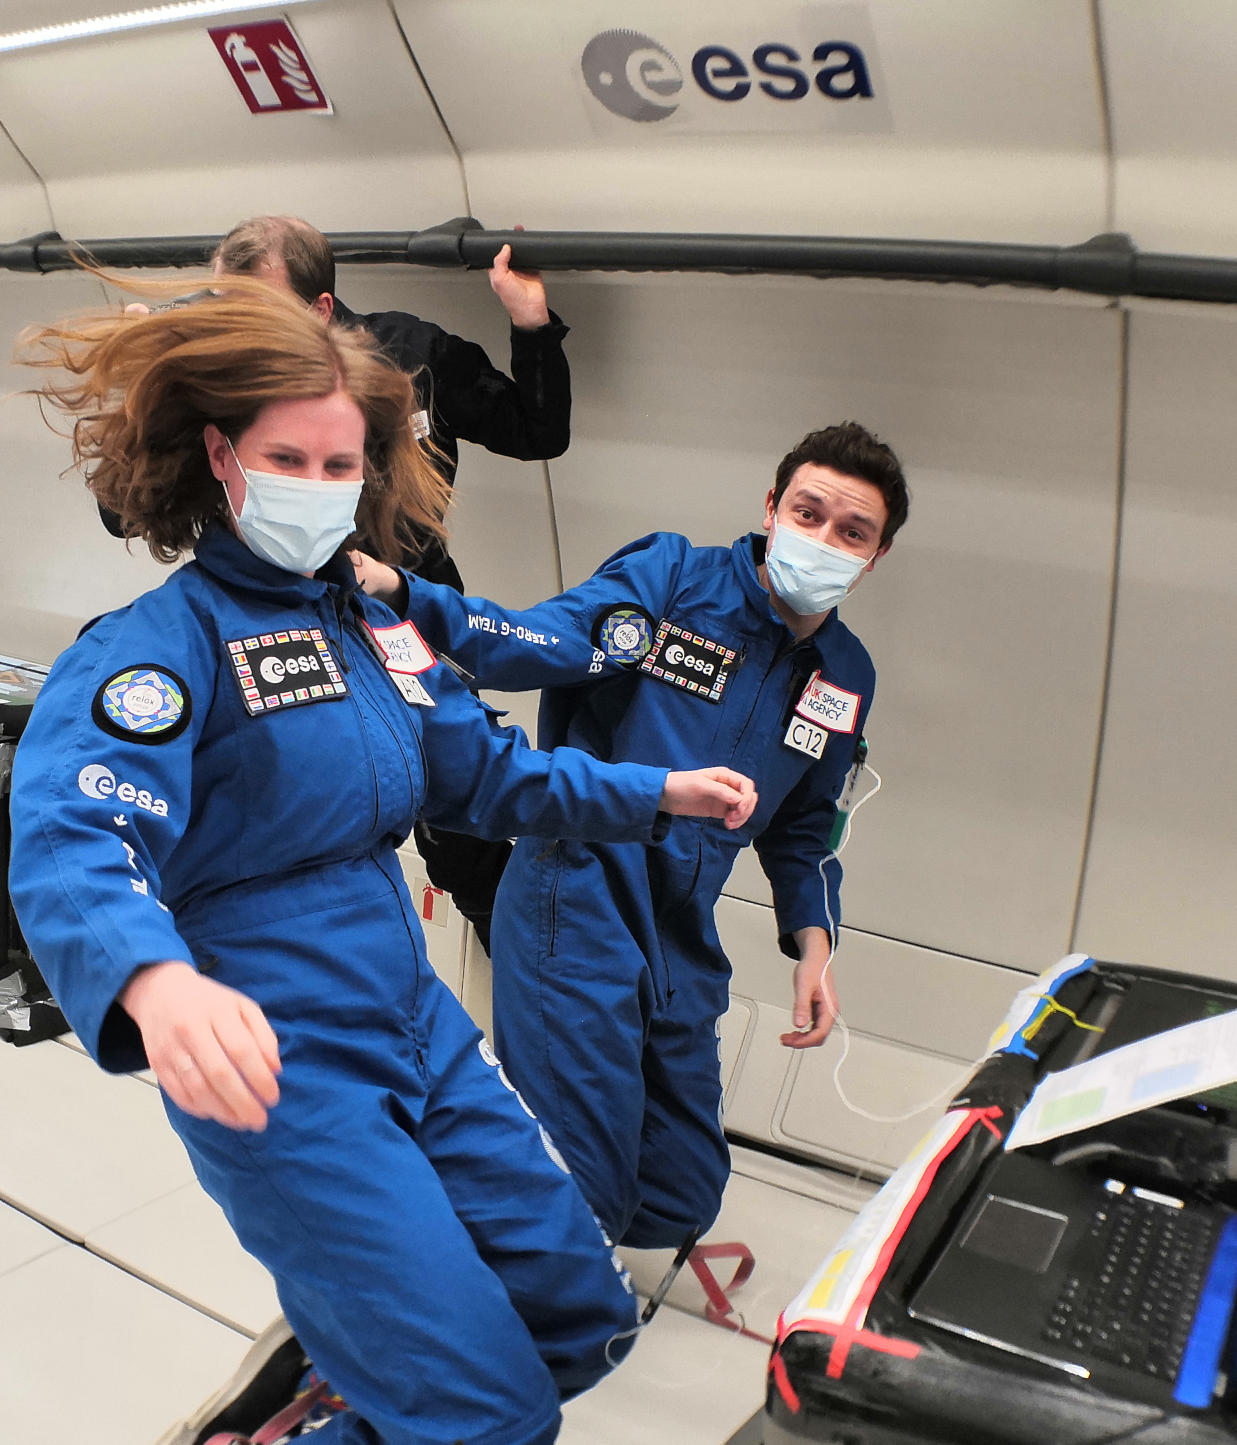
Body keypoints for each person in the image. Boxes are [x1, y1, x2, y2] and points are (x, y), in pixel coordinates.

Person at [8, 278, 758, 1445]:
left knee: (580, 1320)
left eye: (340, 463)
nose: (315, 481)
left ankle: (351, 1363)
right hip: (281, 1071)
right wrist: (153, 981)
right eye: (286, 457)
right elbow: (80, 833)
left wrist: (659, 793)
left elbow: (491, 776)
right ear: (223, 459)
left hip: (415, 1028)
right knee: (480, 1436)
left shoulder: (375, 633)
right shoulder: (157, 647)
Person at [349, 422, 908, 1260]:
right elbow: (529, 641)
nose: (824, 540)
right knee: (588, 1191)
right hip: (576, 893)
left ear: (876, 556)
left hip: (681, 933)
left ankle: (504, 1193)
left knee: (679, 1197)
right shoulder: (676, 579)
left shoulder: (845, 675)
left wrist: (815, 945)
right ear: (771, 507)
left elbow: (805, 826)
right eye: (809, 512)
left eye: (851, 532)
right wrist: (404, 591)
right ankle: (458, 1265)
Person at [203, 214, 572, 952]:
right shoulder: (220, 378)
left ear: (321, 312)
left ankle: (525, 969)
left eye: (261, 314)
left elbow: (538, 432)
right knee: (310, 812)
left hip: (411, 613)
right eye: (229, 313)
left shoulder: (413, 355)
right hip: (286, 625)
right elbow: (126, 509)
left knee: (461, 815)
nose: (244, 333)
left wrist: (533, 325)